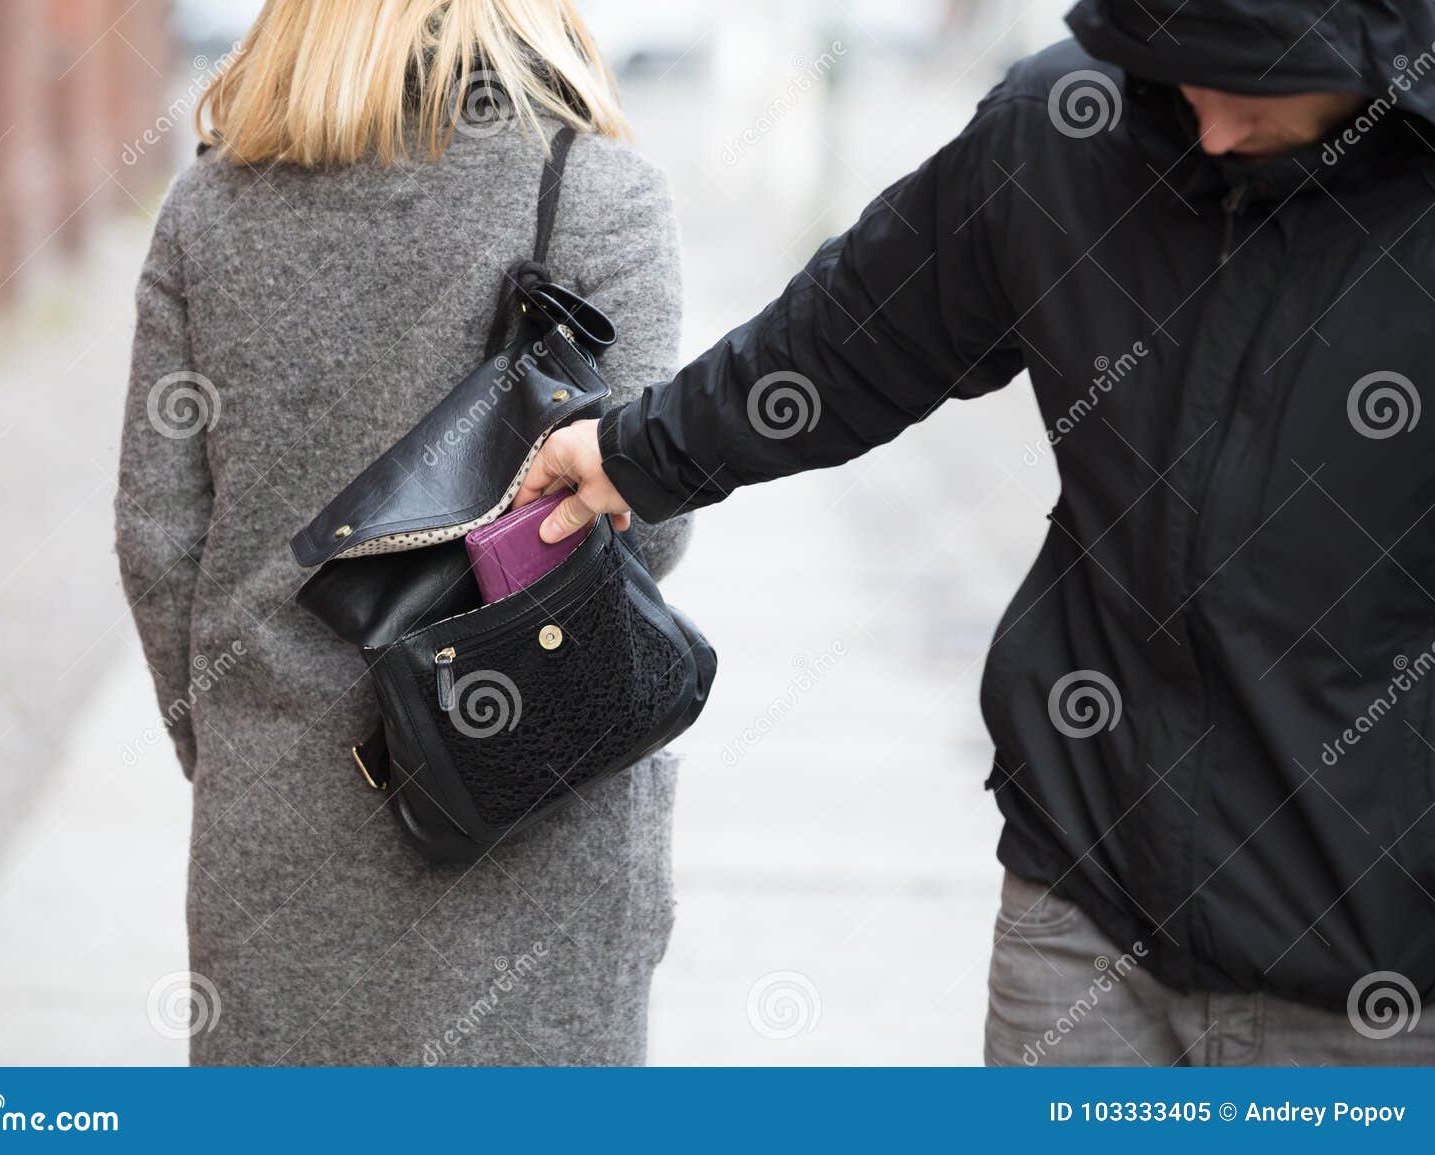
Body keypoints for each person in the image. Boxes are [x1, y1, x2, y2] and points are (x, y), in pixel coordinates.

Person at [516, 0, 1435, 1065]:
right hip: (1086, 921)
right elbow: (852, 337)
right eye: (1185, 77)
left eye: (1253, 86)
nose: (1214, 128)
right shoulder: (1067, 127)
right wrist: (638, 451)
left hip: (1377, 988)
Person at [116, 0, 690, 1065]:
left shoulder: (208, 209)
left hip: (278, 821)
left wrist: (230, 748)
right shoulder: (600, 194)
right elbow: (646, 530)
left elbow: (157, 537)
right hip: (537, 806)